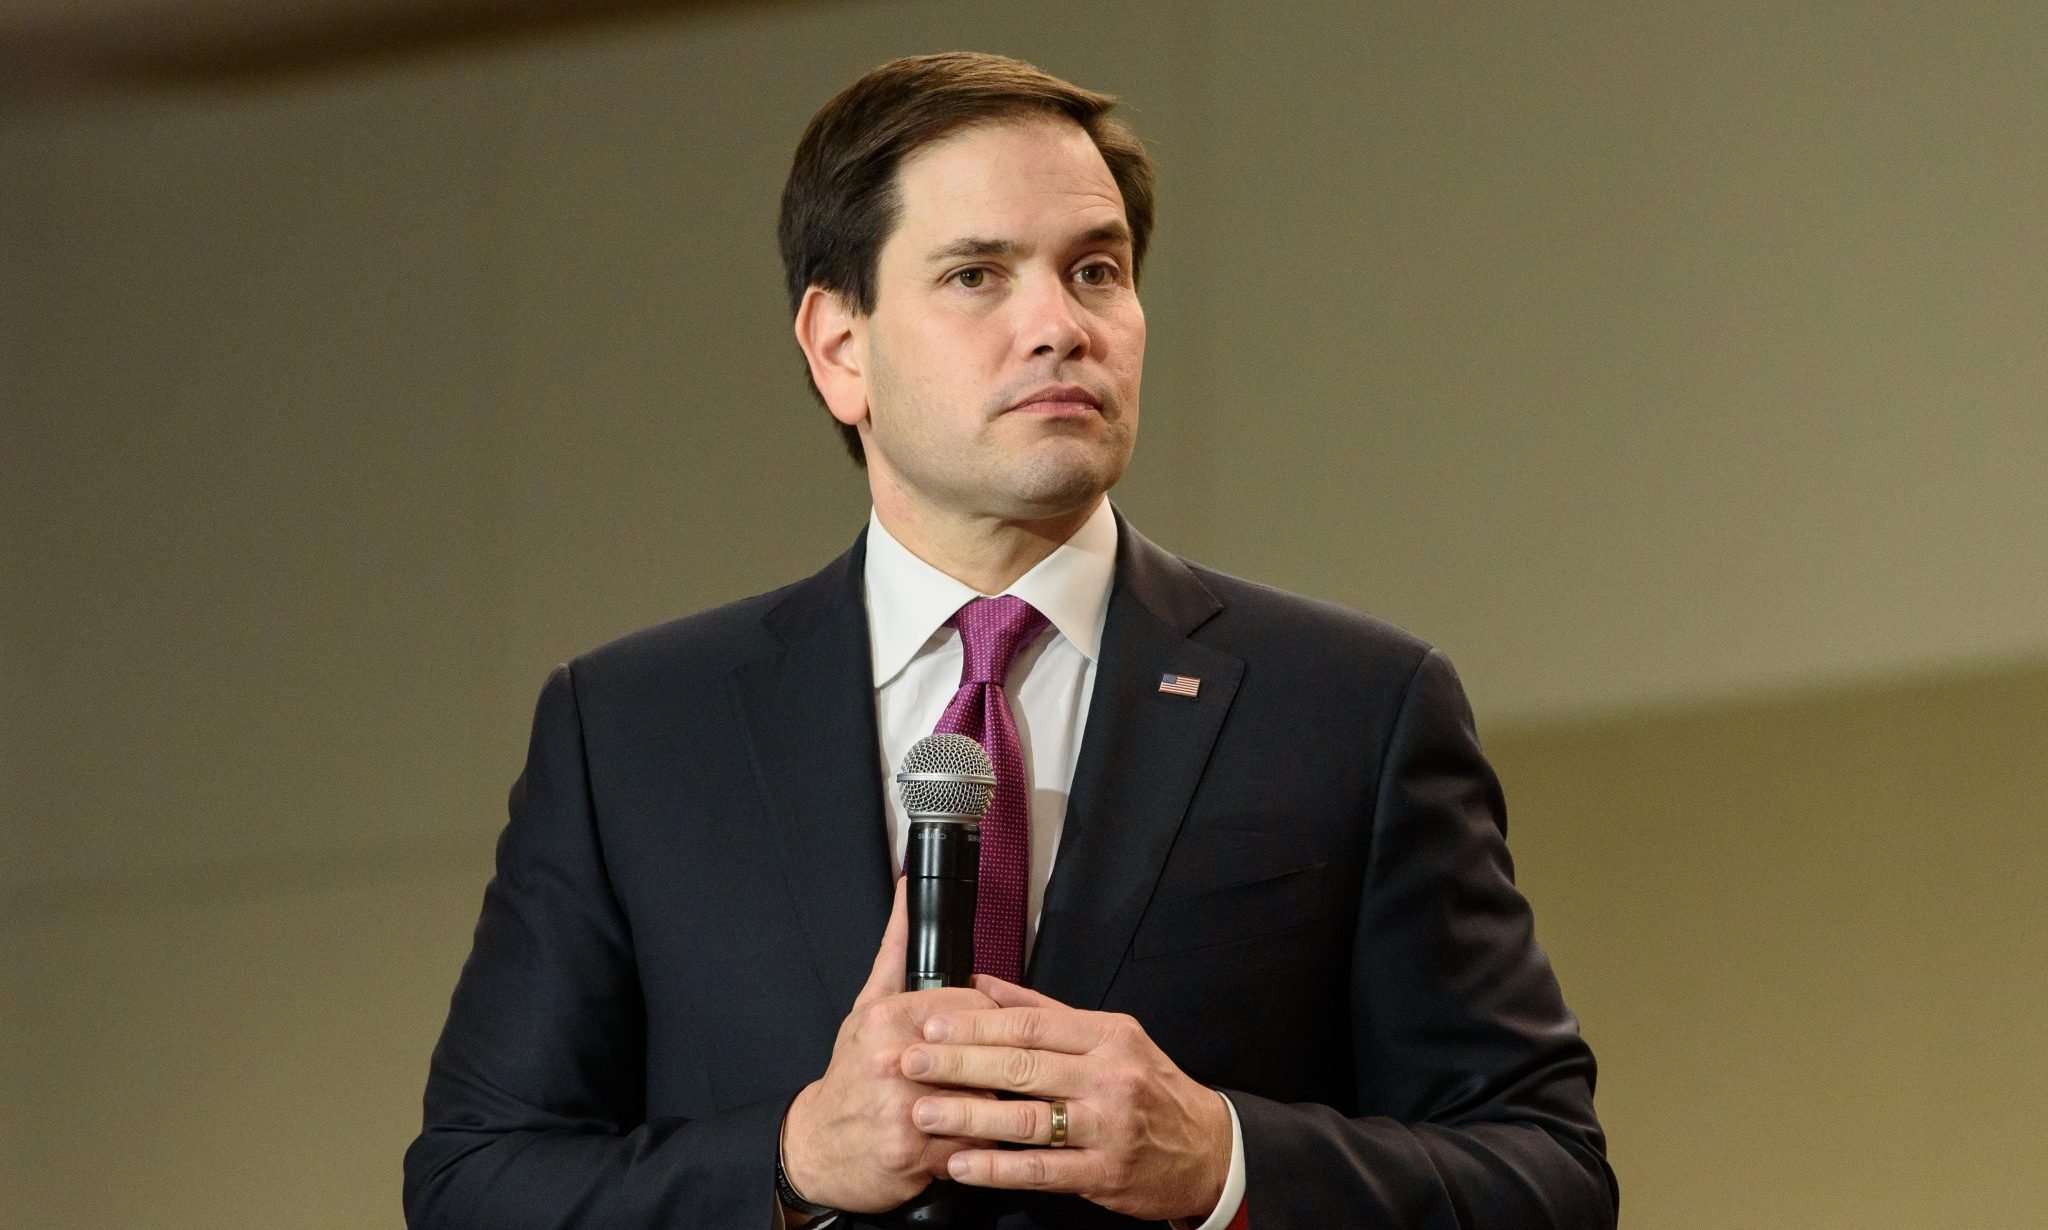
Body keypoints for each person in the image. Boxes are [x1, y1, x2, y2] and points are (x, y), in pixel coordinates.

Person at [403, 52, 1617, 1230]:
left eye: (1095, 270)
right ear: (838, 347)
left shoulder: (1351, 705)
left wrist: (1223, 1161)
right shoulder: (632, 730)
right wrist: (793, 1159)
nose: (1058, 326)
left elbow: (1546, 1172)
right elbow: (473, 1183)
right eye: (977, 275)